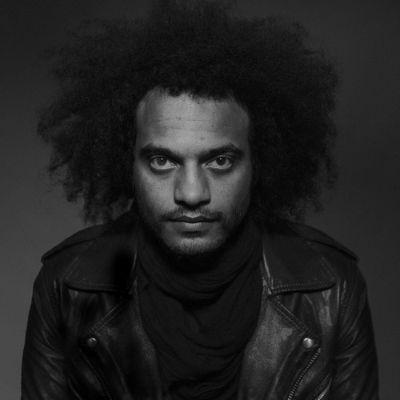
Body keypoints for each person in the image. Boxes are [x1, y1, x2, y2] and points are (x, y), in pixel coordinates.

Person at [21, 1, 379, 399]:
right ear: (126, 164)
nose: (191, 194)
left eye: (220, 161)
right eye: (162, 161)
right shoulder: (67, 286)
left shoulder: (331, 287)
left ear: (260, 162)